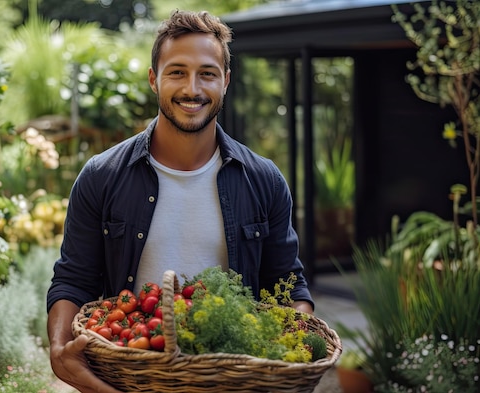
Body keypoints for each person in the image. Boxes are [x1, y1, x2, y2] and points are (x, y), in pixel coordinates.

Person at [47, 9, 314, 393]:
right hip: (129, 377)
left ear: (226, 82)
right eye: (176, 72)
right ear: (154, 80)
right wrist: (60, 349)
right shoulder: (102, 176)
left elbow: (288, 285)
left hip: (230, 380)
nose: (192, 88)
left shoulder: (264, 180)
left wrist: (298, 344)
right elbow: (73, 281)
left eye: (207, 73)